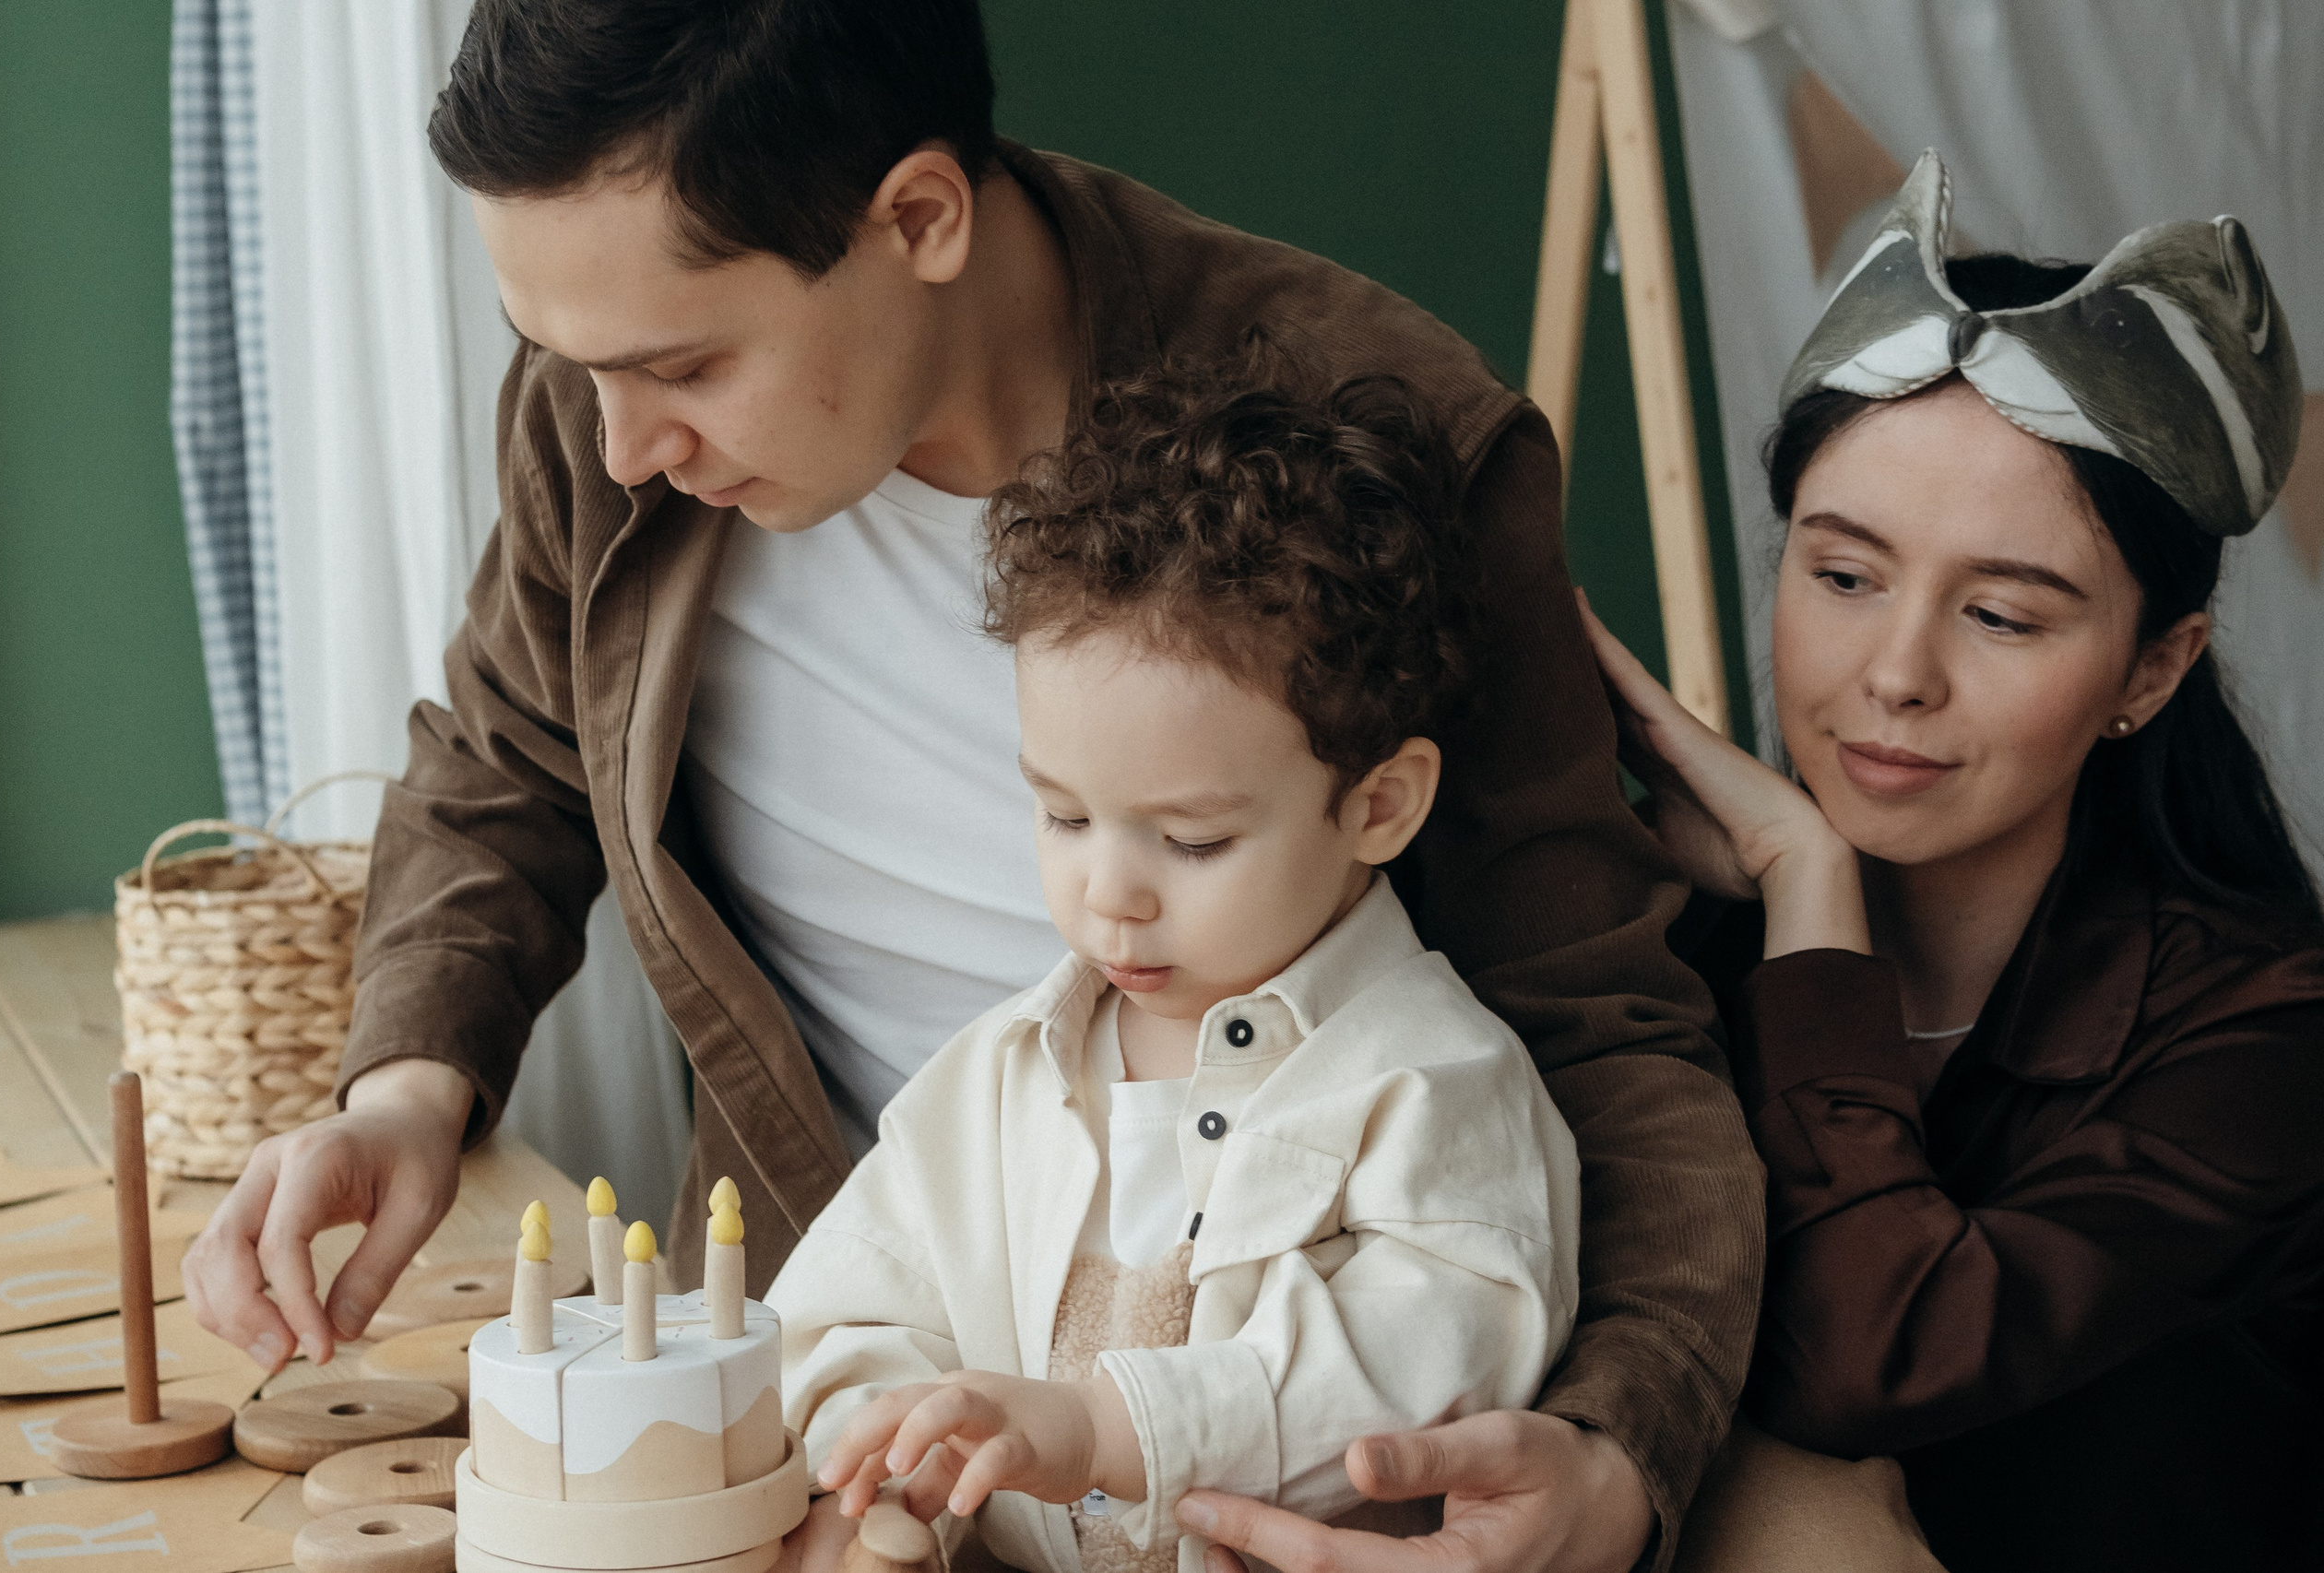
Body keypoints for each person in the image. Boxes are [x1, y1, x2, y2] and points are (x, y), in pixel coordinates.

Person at [177, 5, 1762, 1567]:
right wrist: (404, 1094)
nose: (620, 447)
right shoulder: (614, 413)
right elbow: (513, 748)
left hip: (1296, 1425)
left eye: (688, 365)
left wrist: (1618, 1450)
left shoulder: (1374, 439)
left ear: (920, 218)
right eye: (565, 362)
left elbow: (1600, 1025)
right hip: (863, 1392)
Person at [1580, 155, 2322, 1572]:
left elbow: (1866, 1354)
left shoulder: (2268, 1032)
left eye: (2001, 615)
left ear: (2153, 669)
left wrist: (1811, 886)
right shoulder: (1656, 944)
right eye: (1843, 576)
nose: (1896, 674)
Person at [771, 362, 1583, 1573]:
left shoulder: (1436, 1083)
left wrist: (1102, 1430)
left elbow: (1418, 1365)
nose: (1110, 892)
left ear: (1378, 804)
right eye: (1063, 814)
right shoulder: (996, 1076)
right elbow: (849, 1305)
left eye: (1192, 840)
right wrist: (893, 1454)